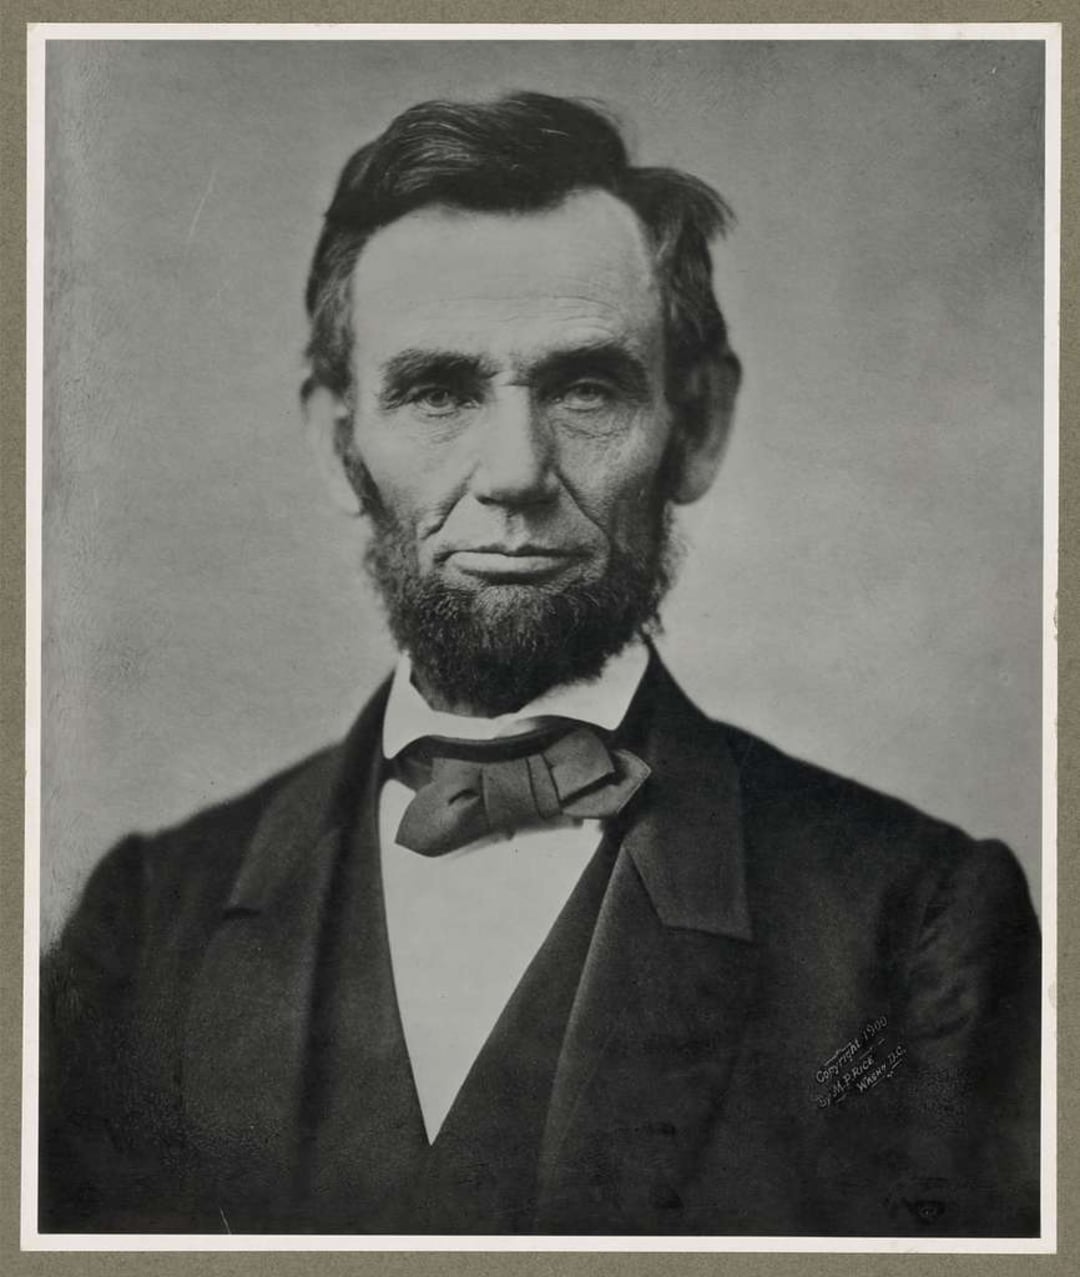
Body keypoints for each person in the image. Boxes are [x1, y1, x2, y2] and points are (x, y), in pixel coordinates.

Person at [39, 91, 1041, 1237]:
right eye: (438, 391)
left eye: (586, 387)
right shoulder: (145, 923)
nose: (515, 471)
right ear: (337, 441)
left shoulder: (915, 925)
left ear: (698, 426)